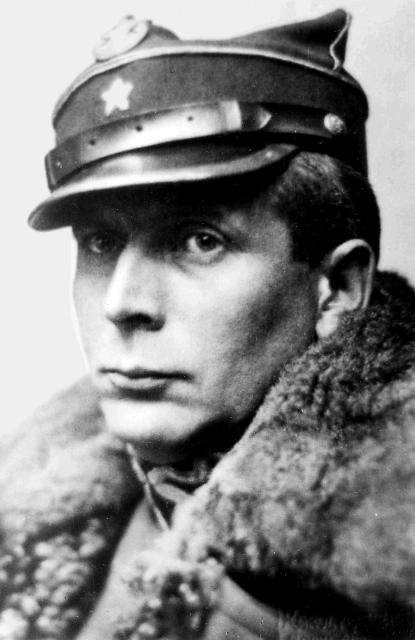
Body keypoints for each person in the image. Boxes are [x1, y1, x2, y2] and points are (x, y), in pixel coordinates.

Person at [1, 8, 415, 640]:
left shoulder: (386, 572)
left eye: (200, 241)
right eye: (101, 243)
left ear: (336, 289)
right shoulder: (35, 511)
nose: (122, 303)